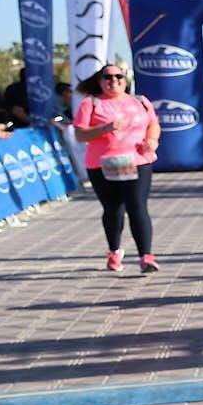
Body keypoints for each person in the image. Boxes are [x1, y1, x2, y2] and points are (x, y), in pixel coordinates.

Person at [70, 63, 161, 273]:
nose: (114, 81)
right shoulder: (91, 104)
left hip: (137, 160)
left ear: (125, 79)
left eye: (118, 77)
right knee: (113, 209)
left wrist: (152, 141)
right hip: (103, 164)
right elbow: (80, 135)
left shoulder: (140, 101)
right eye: (108, 78)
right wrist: (106, 128)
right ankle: (114, 250)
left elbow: (153, 124)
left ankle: (146, 256)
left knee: (137, 207)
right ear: (100, 82)